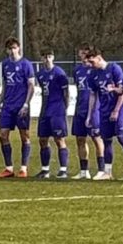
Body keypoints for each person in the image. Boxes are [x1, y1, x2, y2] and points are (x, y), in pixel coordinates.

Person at [0, 37, 36, 178]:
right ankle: (9, 168)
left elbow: (31, 85)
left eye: (14, 48)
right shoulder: (5, 64)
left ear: (18, 48)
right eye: (10, 48)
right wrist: (0, 102)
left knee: (24, 136)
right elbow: (5, 84)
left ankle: (23, 168)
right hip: (8, 106)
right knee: (2, 135)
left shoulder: (26, 64)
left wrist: (26, 104)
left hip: (21, 106)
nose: (12, 51)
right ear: (7, 50)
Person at [85, 49, 123, 181]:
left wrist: (116, 110)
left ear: (99, 57)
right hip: (103, 110)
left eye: (92, 61)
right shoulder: (93, 74)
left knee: (122, 137)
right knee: (106, 140)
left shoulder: (114, 68)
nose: (90, 65)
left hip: (118, 108)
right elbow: (93, 95)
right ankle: (107, 172)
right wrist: (90, 115)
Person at [35, 50, 71, 179]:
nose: (47, 59)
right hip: (45, 109)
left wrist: (64, 108)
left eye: (49, 56)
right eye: (45, 57)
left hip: (57, 110)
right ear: (41, 59)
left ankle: (63, 170)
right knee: (42, 139)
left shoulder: (59, 73)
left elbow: (66, 93)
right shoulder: (40, 74)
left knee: (59, 139)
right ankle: (45, 170)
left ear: (53, 58)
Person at [71, 44, 97, 179]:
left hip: (93, 109)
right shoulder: (77, 70)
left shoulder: (95, 69)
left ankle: (102, 169)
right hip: (80, 108)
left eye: (86, 53)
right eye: (81, 53)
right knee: (80, 139)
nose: (84, 56)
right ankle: (84, 171)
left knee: (97, 138)